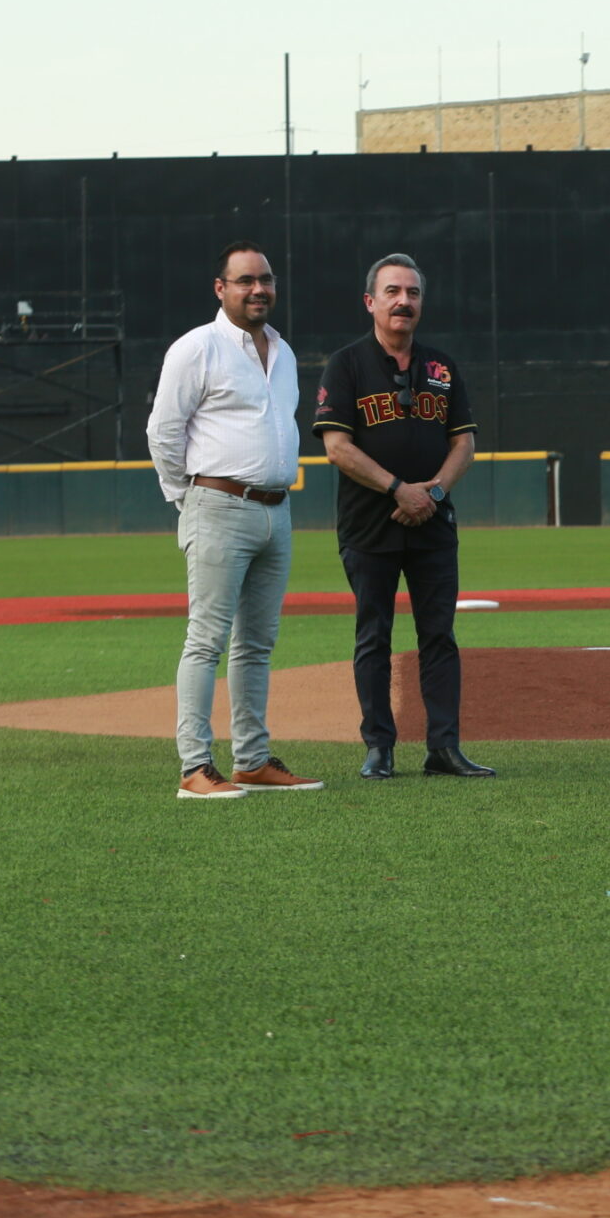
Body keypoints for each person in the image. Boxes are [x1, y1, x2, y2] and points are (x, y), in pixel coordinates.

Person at [145, 241, 322, 799]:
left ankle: (251, 759)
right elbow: (163, 432)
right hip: (217, 504)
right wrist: (186, 497)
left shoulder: (285, 352)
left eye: (265, 279)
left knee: (257, 644)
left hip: (276, 509)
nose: (258, 289)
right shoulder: (197, 347)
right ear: (221, 289)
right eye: (245, 280)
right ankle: (195, 767)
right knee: (206, 641)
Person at [313, 253, 494, 781]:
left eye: (412, 293)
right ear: (371, 302)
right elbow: (337, 447)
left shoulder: (441, 367)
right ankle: (379, 747)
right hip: (370, 525)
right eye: (392, 291)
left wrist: (431, 493)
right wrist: (398, 489)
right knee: (374, 636)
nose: (403, 302)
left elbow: (465, 442)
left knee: (438, 636)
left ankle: (444, 747)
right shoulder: (346, 364)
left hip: (433, 524)